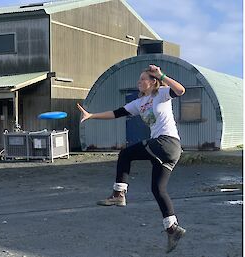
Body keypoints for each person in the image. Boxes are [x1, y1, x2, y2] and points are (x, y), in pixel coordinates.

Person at [77, 64, 186, 253]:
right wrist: (91, 115)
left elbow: (181, 90)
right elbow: (116, 113)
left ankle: (119, 194)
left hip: (166, 143)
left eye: (143, 79)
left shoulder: (162, 93)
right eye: (139, 79)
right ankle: (172, 228)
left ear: (153, 82)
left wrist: (162, 75)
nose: (139, 82)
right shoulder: (139, 104)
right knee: (158, 189)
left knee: (126, 154)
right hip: (164, 150)